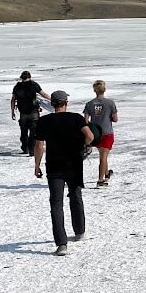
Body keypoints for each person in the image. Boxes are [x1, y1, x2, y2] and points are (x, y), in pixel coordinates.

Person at [34, 90, 93, 256]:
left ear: (52, 104)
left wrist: (37, 165)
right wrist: (83, 146)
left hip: (54, 166)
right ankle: (80, 231)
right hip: (73, 163)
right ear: (65, 103)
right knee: (75, 196)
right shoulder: (76, 118)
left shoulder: (44, 121)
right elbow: (89, 136)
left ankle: (61, 244)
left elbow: (39, 146)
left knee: (56, 204)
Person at [83, 80, 119, 187]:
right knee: (103, 156)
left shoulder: (89, 104)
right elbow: (115, 119)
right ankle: (100, 179)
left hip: (95, 134)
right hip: (107, 132)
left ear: (94, 90)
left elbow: (85, 121)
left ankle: (106, 173)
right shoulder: (110, 103)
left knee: (103, 154)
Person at [11, 71, 48, 155]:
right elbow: (43, 94)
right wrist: (53, 100)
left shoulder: (17, 86)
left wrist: (12, 111)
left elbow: (13, 99)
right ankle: (32, 150)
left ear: (21, 77)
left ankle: (25, 149)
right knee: (33, 132)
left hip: (23, 113)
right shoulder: (34, 85)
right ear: (30, 77)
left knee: (23, 132)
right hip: (33, 112)